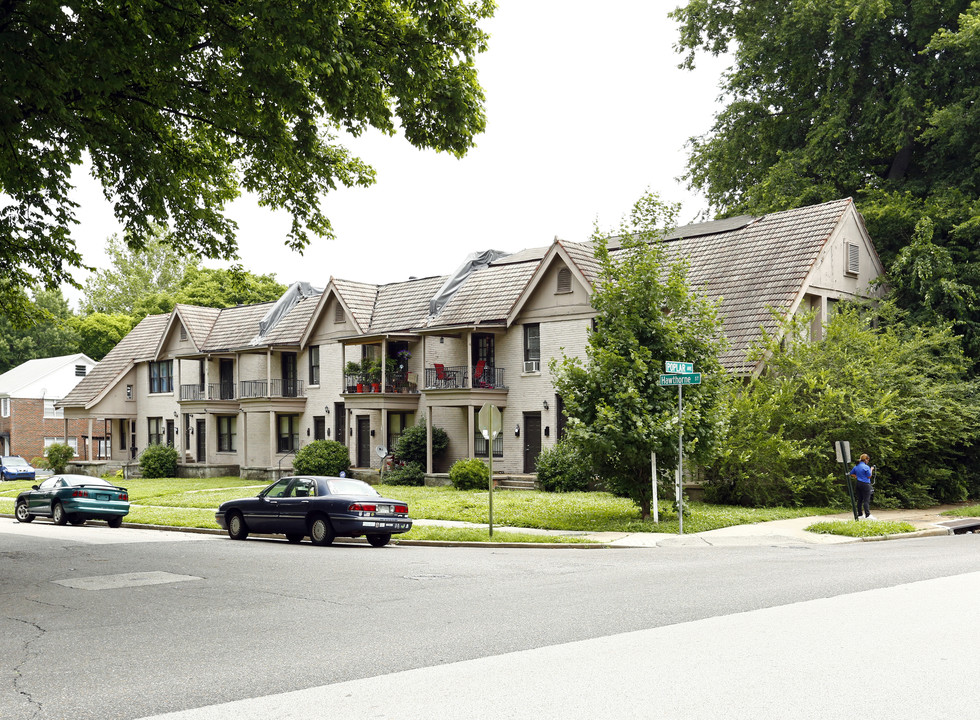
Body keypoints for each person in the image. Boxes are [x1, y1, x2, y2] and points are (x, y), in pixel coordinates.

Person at [849, 453, 875, 520]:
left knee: (860, 499)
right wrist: (871, 470)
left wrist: (856, 476)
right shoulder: (866, 467)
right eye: (868, 460)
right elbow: (869, 476)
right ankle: (867, 515)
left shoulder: (856, 466)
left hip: (858, 484)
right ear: (866, 460)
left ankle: (860, 514)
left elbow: (851, 473)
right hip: (865, 484)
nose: (868, 461)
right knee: (866, 500)